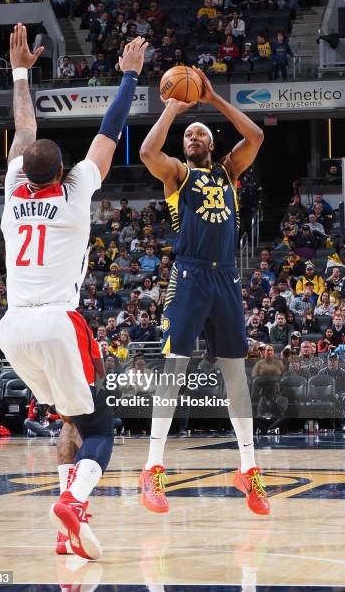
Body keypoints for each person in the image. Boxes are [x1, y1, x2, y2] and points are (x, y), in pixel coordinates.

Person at [0, 23, 147, 559]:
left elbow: (23, 126)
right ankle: (76, 503)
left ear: (25, 171)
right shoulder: (79, 187)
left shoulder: (14, 193)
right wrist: (129, 75)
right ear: (63, 169)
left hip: (12, 329)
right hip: (59, 321)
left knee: (70, 419)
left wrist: (20, 72)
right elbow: (110, 129)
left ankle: (68, 531)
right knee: (102, 429)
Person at [138, 66, 269, 516]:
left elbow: (255, 137)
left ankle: (248, 470)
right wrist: (174, 108)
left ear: (211, 144)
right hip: (190, 276)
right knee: (174, 369)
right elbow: (147, 149)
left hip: (227, 278)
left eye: (199, 134)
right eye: (187, 135)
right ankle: (153, 468)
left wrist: (213, 100)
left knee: (236, 375)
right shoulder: (177, 174)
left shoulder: (229, 173)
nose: (192, 137)